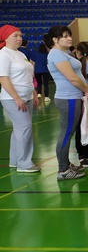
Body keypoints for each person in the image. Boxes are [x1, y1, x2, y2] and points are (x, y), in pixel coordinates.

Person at [47, 26, 88, 180]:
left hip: (73, 97)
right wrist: (86, 89)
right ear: (55, 39)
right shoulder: (56, 54)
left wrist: (85, 89)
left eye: (70, 35)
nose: (69, 38)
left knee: (68, 132)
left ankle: (66, 163)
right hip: (68, 98)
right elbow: (72, 77)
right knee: (66, 133)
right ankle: (63, 170)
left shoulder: (64, 53)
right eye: (65, 36)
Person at [0, 25, 40, 173]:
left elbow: (29, 76)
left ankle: (15, 160)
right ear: (6, 38)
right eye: (15, 36)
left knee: (19, 129)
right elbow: (3, 78)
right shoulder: (4, 54)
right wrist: (16, 98)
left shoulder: (20, 54)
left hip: (26, 96)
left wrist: (34, 94)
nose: (19, 38)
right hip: (13, 98)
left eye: (20, 36)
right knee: (25, 128)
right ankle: (24, 164)